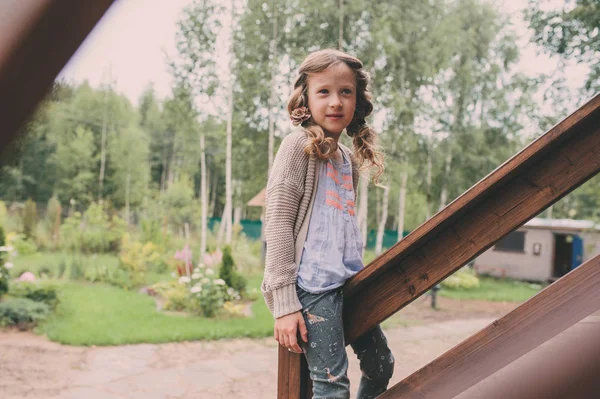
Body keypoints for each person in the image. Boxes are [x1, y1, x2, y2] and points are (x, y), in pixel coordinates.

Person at [261, 48, 393, 398]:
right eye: (324, 92)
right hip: (312, 287)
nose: (336, 102)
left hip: (348, 281)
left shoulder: (346, 159)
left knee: (381, 364)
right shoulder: (296, 148)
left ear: (357, 102)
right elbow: (277, 226)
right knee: (332, 387)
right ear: (305, 99)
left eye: (345, 92)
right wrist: (285, 304)